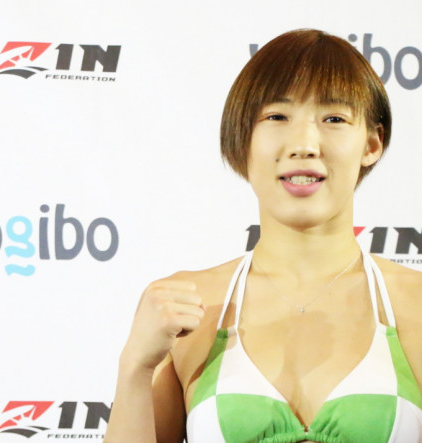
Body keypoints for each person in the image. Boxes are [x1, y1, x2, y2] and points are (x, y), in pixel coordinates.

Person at [105, 29, 422, 443]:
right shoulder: (188, 306)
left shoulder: (414, 303)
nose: (304, 145)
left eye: (334, 119)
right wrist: (135, 365)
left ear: (372, 143)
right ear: (242, 139)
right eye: (276, 117)